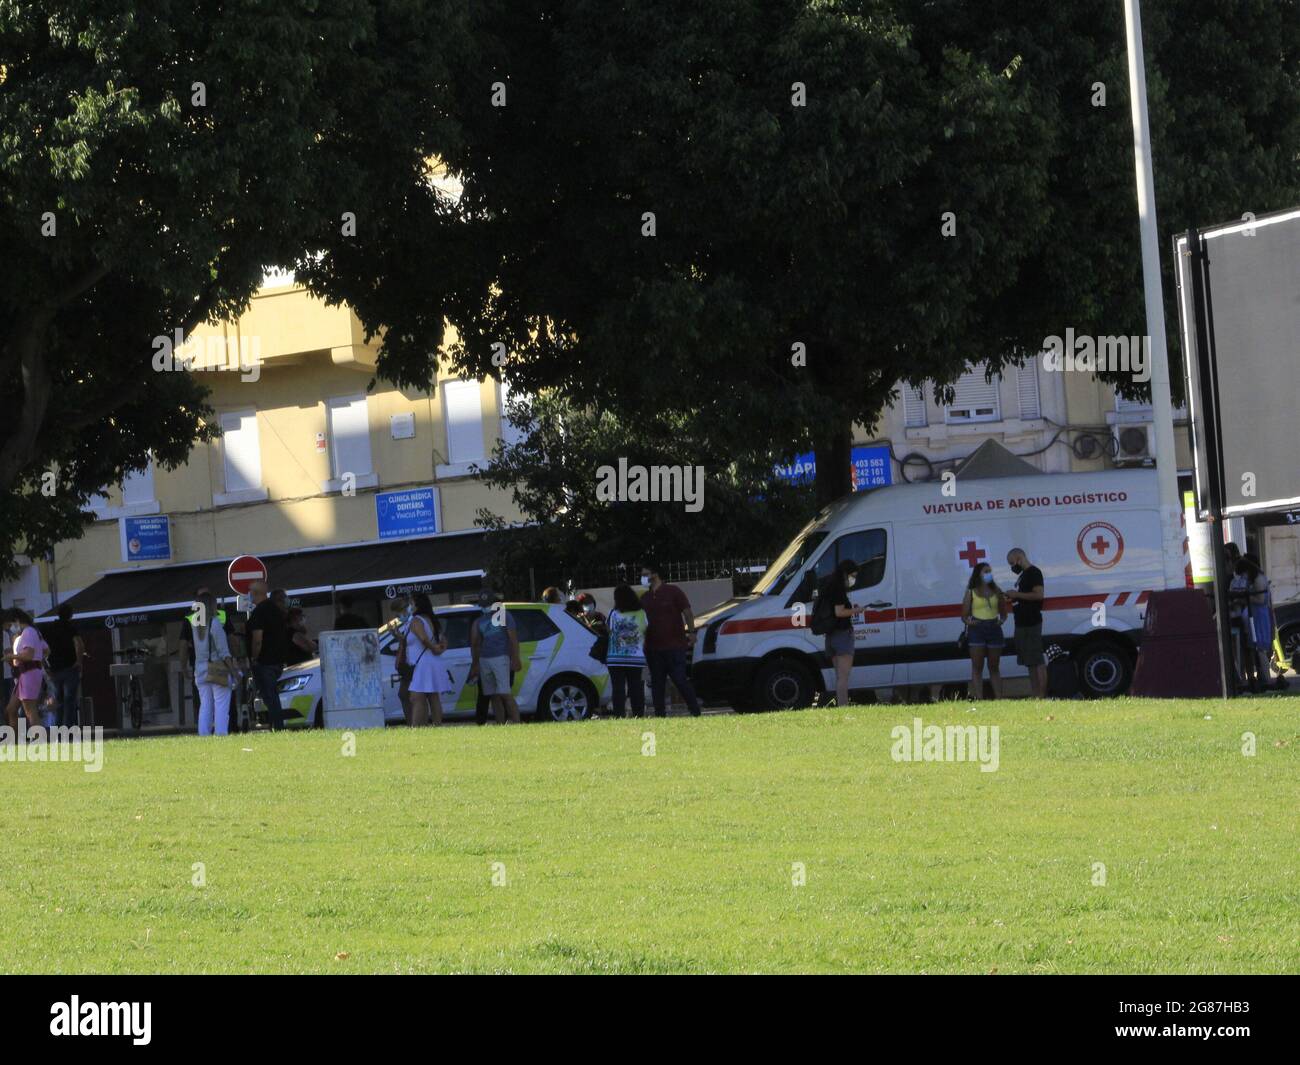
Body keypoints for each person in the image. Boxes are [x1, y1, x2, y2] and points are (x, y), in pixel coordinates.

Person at [640, 562, 701, 717]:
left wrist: (692, 632)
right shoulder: (645, 597)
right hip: (653, 648)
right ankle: (660, 715)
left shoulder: (673, 591)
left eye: (645, 574)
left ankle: (695, 710)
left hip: (675, 646)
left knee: (680, 680)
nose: (643, 578)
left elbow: (687, 612)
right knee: (657, 684)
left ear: (655, 574)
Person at [469, 593, 522, 723]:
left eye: (487, 604)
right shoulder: (479, 620)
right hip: (484, 659)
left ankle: (517, 723)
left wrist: (515, 658)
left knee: (505, 693)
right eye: (483, 605)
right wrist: (475, 664)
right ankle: (500, 723)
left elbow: (513, 639)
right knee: (493, 695)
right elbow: (475, 643)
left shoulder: (505, 615)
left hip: (501, 657)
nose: (485, 607)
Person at [818, 559, 862, 707]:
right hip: (842, 635)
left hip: (831, 636)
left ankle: (841, 706)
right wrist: (857, 610)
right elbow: (839, 612)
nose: (853, 579)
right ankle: (843, 706)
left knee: (839, 677)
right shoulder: (838, 590)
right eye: (853, 575)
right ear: (846, 574)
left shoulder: (828, 586)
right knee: (843, 677)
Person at [247, 580, 291, 730]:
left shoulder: (259, 612)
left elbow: (257, 639)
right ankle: (277, 725)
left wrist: (254, 657)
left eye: (250, 592)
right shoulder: (277, 610)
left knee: (269, 696)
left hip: (264, 661)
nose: (249, 595)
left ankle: (278, 727)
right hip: (277, 660)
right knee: (272, 695)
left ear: (256, 593)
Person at [1004, 548, 1047, 699]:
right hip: (1021, 622)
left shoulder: (1034, 572)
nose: (1012, 567)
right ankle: (1035, 694)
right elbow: (1024, 596)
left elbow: (1038, 595)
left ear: (1019, 557)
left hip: (1031, 622)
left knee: (1037, 660)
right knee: (1029, 661)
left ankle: (1041, 695)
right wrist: (1013, 598)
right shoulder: (1023, 576)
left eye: (1012, 562)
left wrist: (1017, 594)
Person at [193, 591, 237, 736]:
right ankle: (221, 734)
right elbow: (224, 652)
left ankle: (204, 735)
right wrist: (234, 672)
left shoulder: (195, 624)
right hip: (216, 668)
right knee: (221, 705)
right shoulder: (215, 623)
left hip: (200, 670)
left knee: (205, 706)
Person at [402, 592, 450, 725]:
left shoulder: (416, 620)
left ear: (417, 604)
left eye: (411, 603)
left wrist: (433, 647)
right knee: (433, 696)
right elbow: (443, 640)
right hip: (432, 661)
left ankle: (417, 727)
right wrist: (439, 648)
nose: (409, 606)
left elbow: (423, 638)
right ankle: (437, 724)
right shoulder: (431, 619)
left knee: (416, 697)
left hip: (422, 664)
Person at [962, 562, 1007, 700]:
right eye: (985, 571)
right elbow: (964, 615)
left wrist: (1002, 620)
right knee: (977, 666)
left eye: (990, 571)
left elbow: (1003, 611)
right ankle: (980, 698)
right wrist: (969, 622)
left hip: (994, 628)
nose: (989, 574)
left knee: (994, 666)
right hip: (977, 629)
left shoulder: (997, 590)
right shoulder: (971, 592)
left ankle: (999, 698)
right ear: (978, 574)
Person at [606, 584, 648, 717]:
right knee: (636, 687)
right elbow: (646, 630)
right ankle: (638, 713)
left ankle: (619, 714)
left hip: (615, 657)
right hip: (636, 657)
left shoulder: (614, 613)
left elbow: (609, 630)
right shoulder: (641, 613)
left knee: (618, 688)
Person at [42, 602, 86, 728]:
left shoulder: (49, 628)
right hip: (70, 668)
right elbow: (79, 644)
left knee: (58, 701)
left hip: (54, 669)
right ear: (71, 615)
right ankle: (68, 729)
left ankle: (58, 729)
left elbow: (42, 647)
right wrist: (79, 661)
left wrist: (45, 665)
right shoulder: (71, 627)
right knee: (69, 700)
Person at [4, 608, 46, 733]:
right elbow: (46, 650)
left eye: (11, 624)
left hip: (29, 672)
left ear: (17, 620)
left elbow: (28, 655)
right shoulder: (34, 632)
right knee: (11, 709)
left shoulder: (28, 632)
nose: (11, 627)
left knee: (30, 710)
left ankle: (40, 740)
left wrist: (12, 656)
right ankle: (14, 741)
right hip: (26, 673)